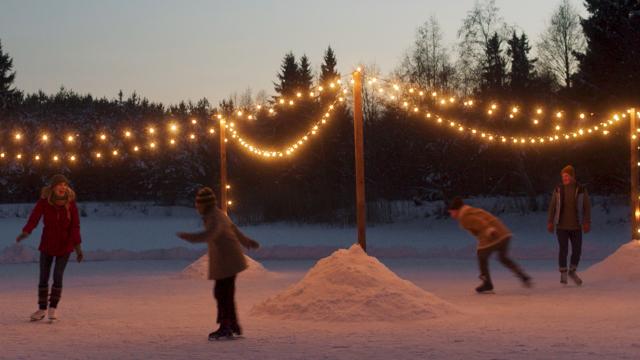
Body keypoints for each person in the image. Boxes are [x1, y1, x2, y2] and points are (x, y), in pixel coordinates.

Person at [177, 187, 260, 340]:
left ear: (204, 204)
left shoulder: (213, 217)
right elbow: (233, 228)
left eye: (198, 204)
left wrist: (190, 237)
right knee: (226, 293)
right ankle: (232, 324)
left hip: (226, 259)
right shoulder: (217, 213)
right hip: (229, 258)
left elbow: (211, 233)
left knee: (222, 294)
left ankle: (226, 326)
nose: (197, 207)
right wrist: (246, 241)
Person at [16, 174, 83, 322]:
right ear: (53, 187)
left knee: (58, 275)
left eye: (65, 185)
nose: (62, 187)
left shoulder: (71, 204)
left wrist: (78, 247)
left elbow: (75, 226)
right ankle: (41, 309)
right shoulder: (44, 202)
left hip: (65, 246)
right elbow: (34, 217)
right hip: (47, 244)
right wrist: (26, 231)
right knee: (43, 277)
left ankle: (53, 308)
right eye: (59, 184)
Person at [448, 197, 532, 293]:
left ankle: (487, 283)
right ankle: (522, 275)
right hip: (504, 233)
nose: (451, 215)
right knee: (503, 258)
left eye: (451, 212)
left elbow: (479, 222)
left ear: (457, 210)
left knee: (481, 255)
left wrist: (489, 230)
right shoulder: (470, 211)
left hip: (493, 234)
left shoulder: (465, 216)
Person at [547, 165, 591, 286]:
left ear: (572, 176)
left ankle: (572, 270)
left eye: (567, 176)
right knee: (563, 249)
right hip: (561, 226)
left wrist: (587, 221)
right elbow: (552, 206)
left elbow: (586, 207)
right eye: (563, 176)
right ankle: (563, 272)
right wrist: (550, 221)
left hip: (576, 226)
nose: (564, 178)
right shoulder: (558, 189)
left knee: (577, 250)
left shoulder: (581, 189)